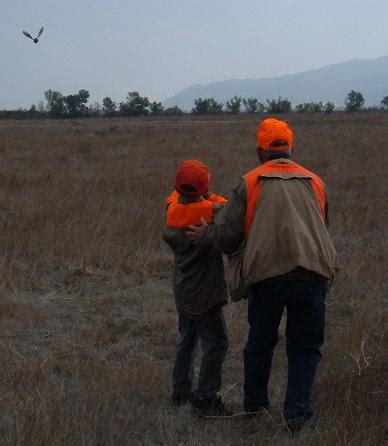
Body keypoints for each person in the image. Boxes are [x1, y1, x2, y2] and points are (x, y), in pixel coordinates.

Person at [187, 119, 338, 431]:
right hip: (312, 273)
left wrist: (205, 235)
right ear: (291, 149)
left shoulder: (250, 181)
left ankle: (255, 407)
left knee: (260, 344)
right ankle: (297, 414)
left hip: (267, 277)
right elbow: (322, 226)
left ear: (259, 152)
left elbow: (227, 237)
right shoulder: (316, 181)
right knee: (305, 347)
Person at [163, 159, 231, 416]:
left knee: (187, 341)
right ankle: (206, 398)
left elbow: (176, 196)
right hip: (206, 294)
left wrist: (195, 191)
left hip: (182, 290)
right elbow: (230, 207)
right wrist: (207, 194)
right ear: (205, 187)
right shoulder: (211, 211)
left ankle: (180, 391)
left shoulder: (170, 209)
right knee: (217, 344)